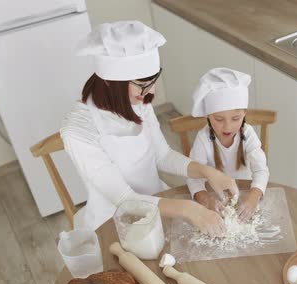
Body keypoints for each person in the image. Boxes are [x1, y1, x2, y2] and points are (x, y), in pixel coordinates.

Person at [60, 21, 237, 235]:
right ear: (109, 82)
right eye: (143, 84)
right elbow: (125, 200)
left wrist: (207, 172)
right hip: (115, 222)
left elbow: (162, 156)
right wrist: (189, 209)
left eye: (153, 80)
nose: (150, 91)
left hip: (159, 202)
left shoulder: (137, 101)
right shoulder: (78, 131)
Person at [187, 68, 270, 222]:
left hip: (246, 191)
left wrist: (253, 197)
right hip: (214, 195)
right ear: (208, 116)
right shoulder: (203, 139)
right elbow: (193, 178)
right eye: (219, 119)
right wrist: (207, 200)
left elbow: (261, 170)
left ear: (244, 114)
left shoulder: (248, 134)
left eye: (235, 118)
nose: (227, 127)